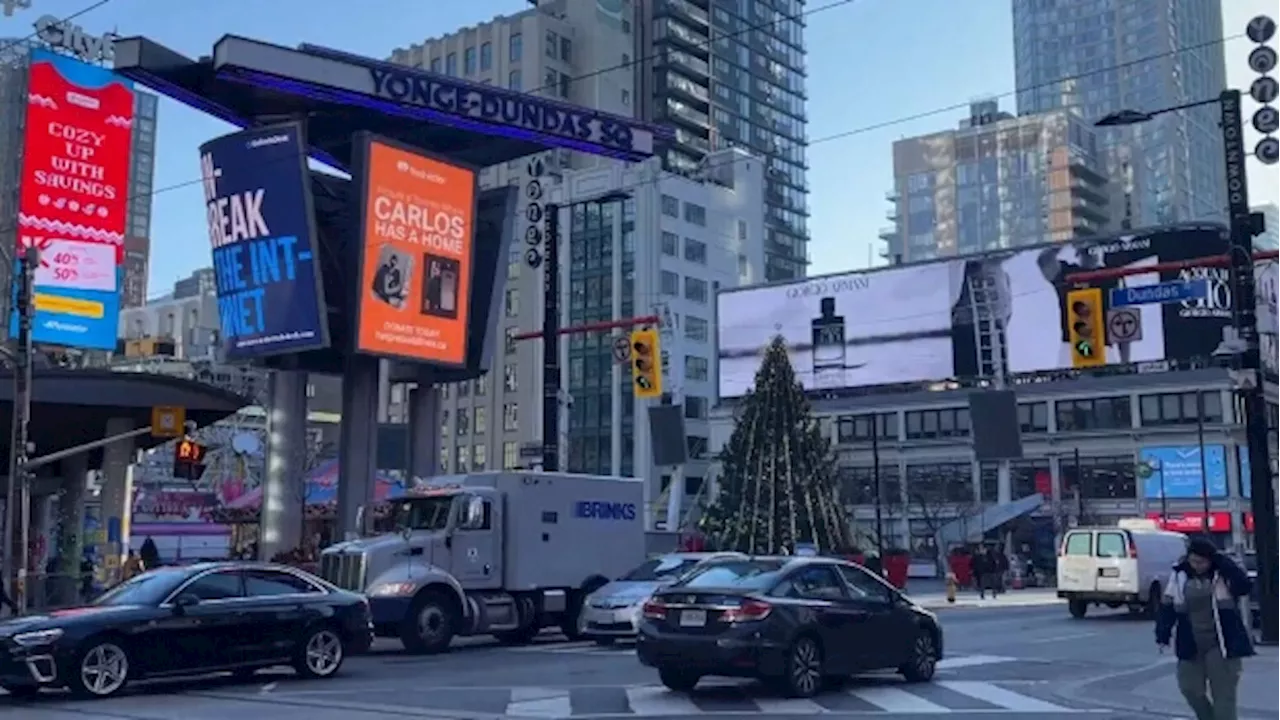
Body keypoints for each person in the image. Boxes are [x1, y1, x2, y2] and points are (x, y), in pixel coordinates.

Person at [1156, 537, 1254, 720]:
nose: (1196, 565)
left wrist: (1225, 564)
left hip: (1222, 643)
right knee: (1189, 688)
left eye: (1201, 562)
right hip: (1190, 642)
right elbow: (1168, 605)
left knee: (1223, 696)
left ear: (1210, 560)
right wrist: (1163, 632)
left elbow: (1244, 586)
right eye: (1193, 561)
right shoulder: (1179, 575)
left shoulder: (1222, 574)